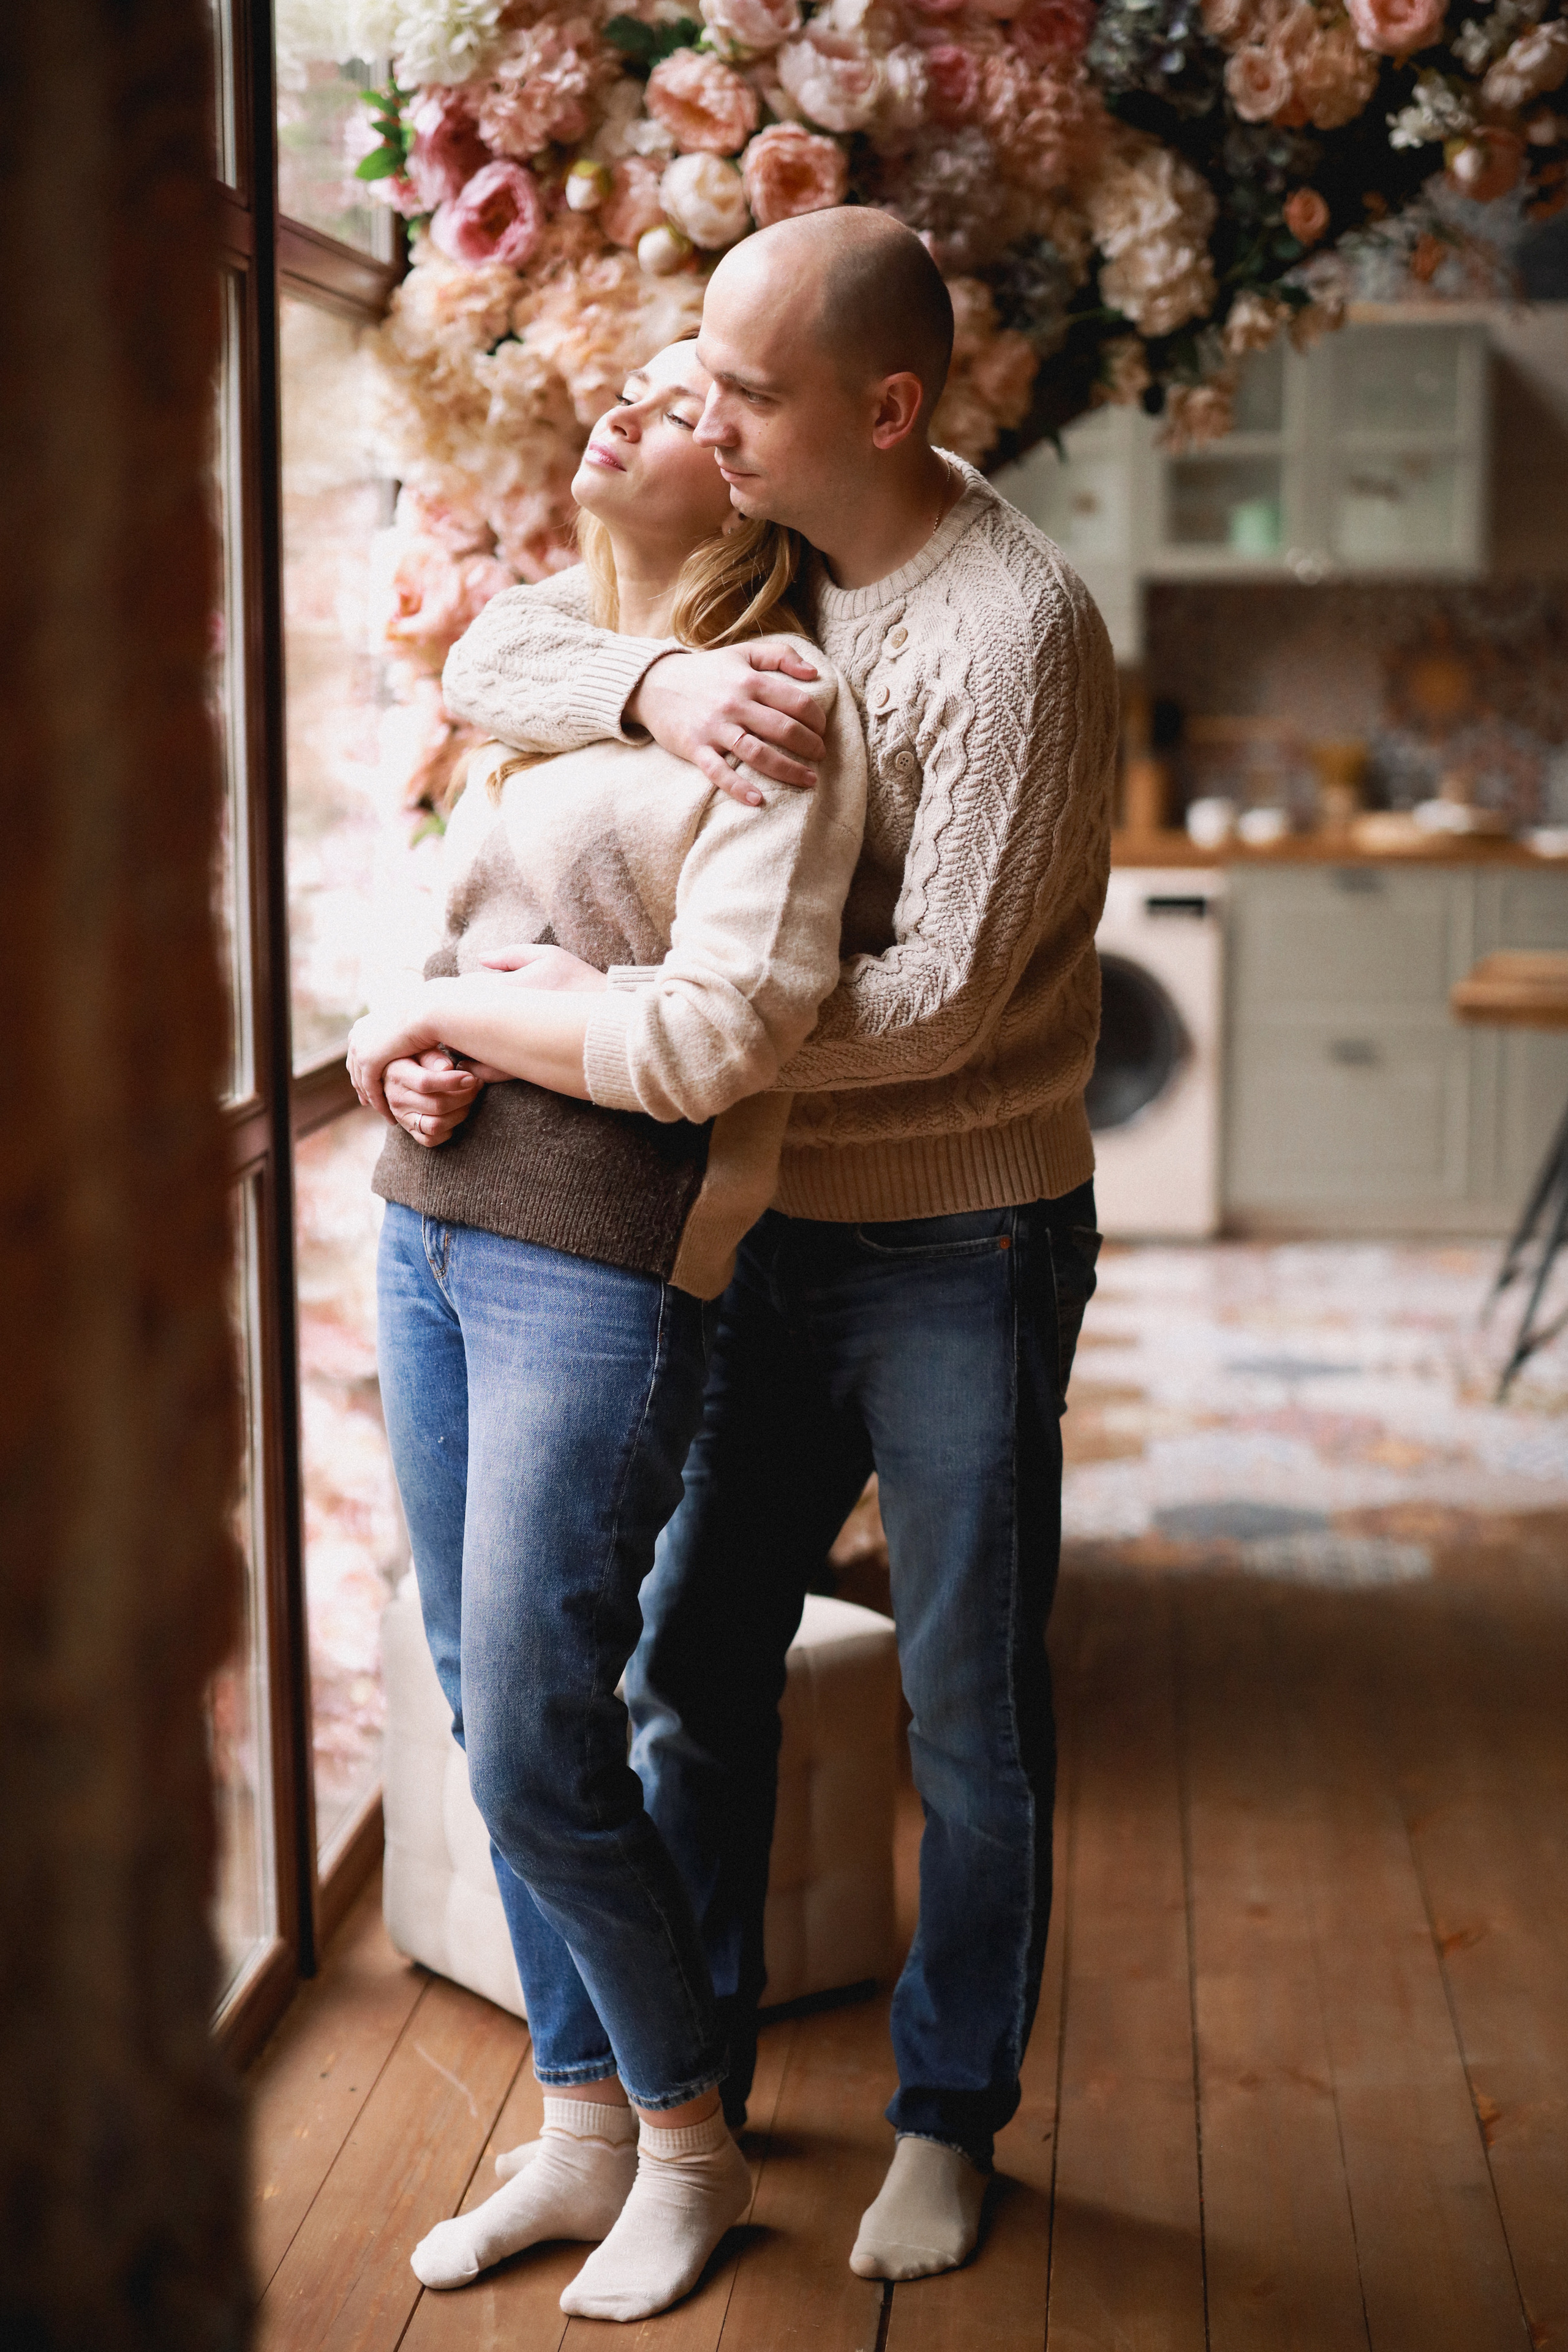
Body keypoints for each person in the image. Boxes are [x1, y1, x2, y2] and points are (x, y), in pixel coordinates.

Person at [418, 206, 1118, 2286]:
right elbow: (492, 657)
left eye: (742, 389)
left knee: (967, 1707)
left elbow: (943, 1006)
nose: (700, 419)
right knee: (687, 1665)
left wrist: (646, 1035)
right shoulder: (763, 546)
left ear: (883, 411)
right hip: (755, 1221)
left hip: (964, 1230)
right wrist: (659, 678)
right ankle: (686, 2102)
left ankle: (949, 2114)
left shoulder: (1014, 634)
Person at [349, 336, 868, 2325]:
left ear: (748, 477)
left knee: (544, 1727)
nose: (636, 413)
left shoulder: (781, 705)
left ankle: (687, 2143)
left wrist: (459, 1017)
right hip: (429, 1221)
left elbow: (717, 1037)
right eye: (638, 389)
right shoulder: (559, 657)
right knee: (484, 1700)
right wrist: (415, 1041)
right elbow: (456, 918)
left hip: (601, 1258)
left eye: (688, 404)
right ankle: (580, 2127)